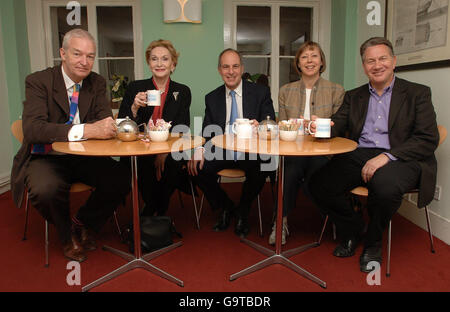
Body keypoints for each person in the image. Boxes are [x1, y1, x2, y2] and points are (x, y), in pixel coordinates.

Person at [309, 37, 439, 272]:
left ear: (394, 61)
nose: (377, 65)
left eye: (382, 59)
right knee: (318, 183)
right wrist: (321, 126)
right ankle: (353, 228)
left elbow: (427, 139)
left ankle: (373, 242)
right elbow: (338, 124)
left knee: (384, 186)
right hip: (361, 152)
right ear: (364, 66)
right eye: (370, 61)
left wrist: (387, 157)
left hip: (403, 156)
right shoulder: (354, 95)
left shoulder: (417, 93)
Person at [11, 29, 131, 263]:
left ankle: (82, 223)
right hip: (46, 156)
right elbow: (34, 129)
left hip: (85, 156)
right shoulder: (38, 81)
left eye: (90, 56)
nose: (84, 62)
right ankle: (66, 236)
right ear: (63, 53)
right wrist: (86, 130)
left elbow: (104, 121)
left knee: (121, 178)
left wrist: (103, 128)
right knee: (46, 189)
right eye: (78, 54)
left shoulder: (95, 82)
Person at [187, 48, 275, 237]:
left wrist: (261, 127)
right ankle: (226, 207)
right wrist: (200, 148)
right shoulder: (212, 97)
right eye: (226, 67)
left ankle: (243, 210)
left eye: (235, 66)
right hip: (222, 150)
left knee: (264, 166)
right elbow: (207, 129)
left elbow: (271, 124)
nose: (231, 71)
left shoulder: (260, 92)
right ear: (219, 70)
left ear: (242, 68)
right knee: (196, 167)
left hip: (251, 149)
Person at [272, 41, 345, 245]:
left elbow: (339, 127)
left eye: (314, 56)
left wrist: (318, 128)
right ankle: (281, 222)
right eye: (304, 57)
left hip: (323, 151)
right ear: (298, 63)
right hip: (293, 150)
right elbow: (282, 126)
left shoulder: (336, 91)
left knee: (318, 174)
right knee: (289, 171)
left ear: (321, 61)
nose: (309, 61)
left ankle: (331, 216)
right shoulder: (285, 91)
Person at [118, 39, 191, 216]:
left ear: (173, 65)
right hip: (140, 147)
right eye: (154, 59)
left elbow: (182, 127)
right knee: (143, 162)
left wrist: (163, 152)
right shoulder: (136, 88)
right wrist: (135, 107)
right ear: (149, 63)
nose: (159, 63)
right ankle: (153, 209)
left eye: (165, 59)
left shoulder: (182, 91)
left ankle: (157, 210)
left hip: (170, 146)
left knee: (173, 161)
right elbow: (122, 124)